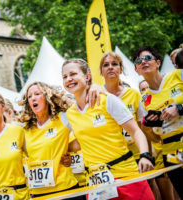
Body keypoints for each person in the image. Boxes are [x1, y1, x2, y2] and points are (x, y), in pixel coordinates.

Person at [62, 58, 155, 200]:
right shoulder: (70, 113)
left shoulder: (107, 100)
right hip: (96, 183)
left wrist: (145, 156)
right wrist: (60, 152)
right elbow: (80, 142)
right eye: (65, 77)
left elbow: (136, 131)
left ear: (87, 76)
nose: (69, 79)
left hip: (125, 176)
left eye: (73, 74)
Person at [18, 82, 86, 199]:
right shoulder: (24, 127)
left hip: (66, 190)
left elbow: (86, 128)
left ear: (47, 97)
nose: (33, 98)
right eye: (29, 96)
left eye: (37, 94)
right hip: (38, 194)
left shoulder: (63, 117)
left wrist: (65, 149)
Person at [133, 46, 183, 199]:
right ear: (136, 70)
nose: (144, 62)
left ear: (158, 63)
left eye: (148, 58)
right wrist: (149, 128)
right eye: (139, 61)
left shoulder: (178, 75)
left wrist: (179, 109)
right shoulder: (143, 100)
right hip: (171, 153)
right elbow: (153, 137)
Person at [99, 51, 143, 162]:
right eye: (106, 65)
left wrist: (147, 156)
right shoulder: (97, 96)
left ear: (121, 69)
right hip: (111, 158)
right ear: (101, 72)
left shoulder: (134, 94)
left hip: (136, 155)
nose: (110, 67)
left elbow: (141, 128)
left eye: (114, 64)